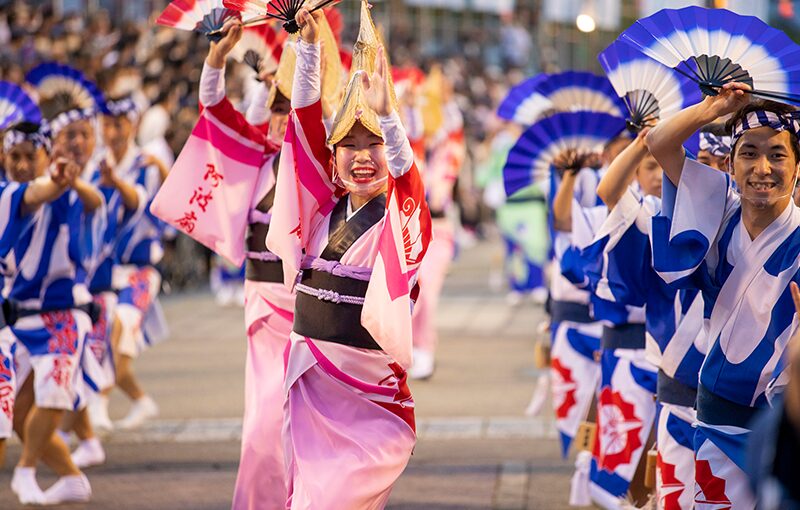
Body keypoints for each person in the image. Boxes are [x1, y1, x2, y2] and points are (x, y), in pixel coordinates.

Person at [266, 3, 432, 507]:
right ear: (333, 159)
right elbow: (302, 131)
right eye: (350, 146)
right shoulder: (317, 210)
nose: (362, 156)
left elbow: (407, 181)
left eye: (374, 144)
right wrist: (310, 51)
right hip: (313, 381)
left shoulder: (397, 222)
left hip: (366, 393)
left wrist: (388, 115)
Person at [198, 14, 341, 509]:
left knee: (306, 424)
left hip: (311, 311)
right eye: (274, 109)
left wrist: (307, 47)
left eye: (289, 109)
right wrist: (217, 60)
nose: (282, 117)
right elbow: (218, 117)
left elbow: (305, 106)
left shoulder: (317, 166)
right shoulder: (254, 160)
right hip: (262, 305)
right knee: (261, 424)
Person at [646, 84, 800, 508]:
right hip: (716, 417)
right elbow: (660, 143)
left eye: (777, 155)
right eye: (748, 153)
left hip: (784, 423)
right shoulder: (717, 206)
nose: (762, 168)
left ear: (798, 166)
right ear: (730, 164)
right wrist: (711, 108)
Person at [4, 116, 101, 505]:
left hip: (63, 313)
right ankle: (72, 477)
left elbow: (94, 201)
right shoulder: (8, 195)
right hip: (18, 318)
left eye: (31, 156)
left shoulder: (67, 189)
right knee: (18, 412)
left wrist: (69, 180)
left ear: (46, 156)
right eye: (15, 156)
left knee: (54, 397)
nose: (23, 164)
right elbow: (34, 194)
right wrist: (57, 181)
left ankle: (24, 471)